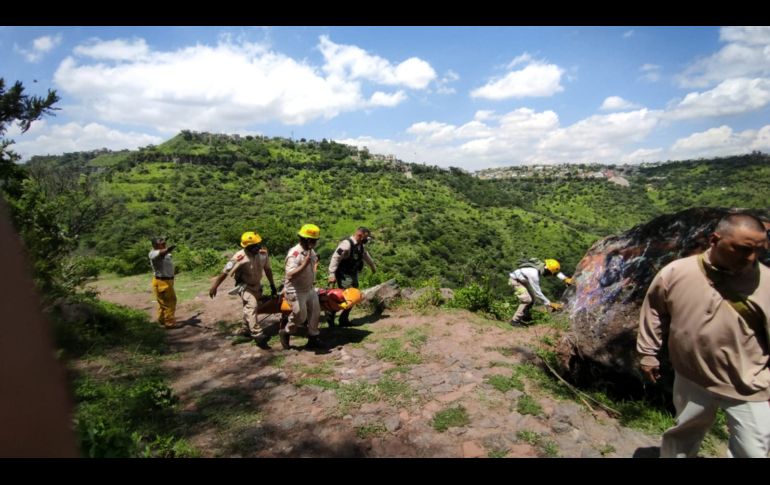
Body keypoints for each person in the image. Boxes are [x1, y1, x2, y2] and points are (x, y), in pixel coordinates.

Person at [637, 213, 770, 458]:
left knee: (754, 450)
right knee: (683, 435)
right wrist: (647, 354)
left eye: (759, 251)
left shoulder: (766, 284)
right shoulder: (677, 272)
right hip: (691, 376)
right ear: (714, 239)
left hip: (748, 383)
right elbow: (655, 309)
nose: (751, 258)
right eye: (742, 249)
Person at [209, 231, 277, 349]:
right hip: (245, 287)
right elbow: (225, 272)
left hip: (257, 286)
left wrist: (272, 285)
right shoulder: (239, 257)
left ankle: (245, 328)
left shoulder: (263, 254)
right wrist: (214, 286)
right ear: (247, 247)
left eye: (258, 244)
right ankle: (257, 334)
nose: (257, 248)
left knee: (250, 308)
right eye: (253, 246)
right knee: (252, 306)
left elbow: (268, 270)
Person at [279, 224, 324, 350]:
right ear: (307, 240)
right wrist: (304, 264)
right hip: (296, 290)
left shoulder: (310, 250)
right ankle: (286, 331)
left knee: (315, 313)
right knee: (300, 316)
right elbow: (290, 274)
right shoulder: (294, 254)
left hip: (309, 288)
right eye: (314, 240)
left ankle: (313, 337)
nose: (315, 243)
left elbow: (313, 264)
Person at [326, 226, 376, 326]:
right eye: (365, 237)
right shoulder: (346, 244)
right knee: (347, 297)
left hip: (353, 274)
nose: (366, 240)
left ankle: (343, 319)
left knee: (354, 297)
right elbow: (335, 258)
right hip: (343, 274)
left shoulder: (360, 245)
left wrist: (372, 266)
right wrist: (331, 274)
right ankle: (330, 314)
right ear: (360, 235)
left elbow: (365, 255)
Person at [508, 258, 573, 326]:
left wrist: (565, 278)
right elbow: (538, 293)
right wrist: (549, 303)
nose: (549, 275)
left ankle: (525, 317)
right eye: (549, 273)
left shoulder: (542, 266)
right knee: (527, 300)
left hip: (522, 280)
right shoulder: (534, 274)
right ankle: (515, 321)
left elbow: (555, 273)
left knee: (532, 299)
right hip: (515, 281)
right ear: (547, 270)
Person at [149, 237, 177, 329]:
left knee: (163, 303)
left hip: (166, 280)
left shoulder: (166, 253)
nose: (164, 243)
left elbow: (164, 253)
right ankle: (169, 323)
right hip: (162, 281)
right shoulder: (153, 253)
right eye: (161, 242)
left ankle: (162, 320)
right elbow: (161, 253)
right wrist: (168, 249)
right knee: (170, 302)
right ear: (155, 245)